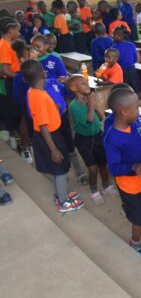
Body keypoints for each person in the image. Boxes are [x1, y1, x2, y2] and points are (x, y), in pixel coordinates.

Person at [103, 88, 141, 261]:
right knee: (137, 217)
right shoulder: (112, 138)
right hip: (130, 186)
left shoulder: (131, 125)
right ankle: (135, 243)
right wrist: (132, 167)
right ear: (124, 112)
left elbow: (139, 137)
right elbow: (114, 168)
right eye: (136, 107)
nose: (139, 110)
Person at [22, 60, 85, 213]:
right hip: (50, 137)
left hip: (45, 135)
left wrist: (52, 109)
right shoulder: (41, 97)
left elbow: (41, 114)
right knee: (61, 170)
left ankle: (60, 194)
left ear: (25, 79)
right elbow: (43, 125)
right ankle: (63, 202)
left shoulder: (32, 92)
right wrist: (53, 149)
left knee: (58, 169)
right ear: (44, 74)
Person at [67, 76, 117, 205]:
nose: (87, 85)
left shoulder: (88, 101)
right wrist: (90, 105)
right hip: (83, 140)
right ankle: (94, 191)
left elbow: (99, 118)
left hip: (97, 135)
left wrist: (95, 107)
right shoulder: (73, 105)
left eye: (86, 83)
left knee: (103, 163)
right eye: (83, 84)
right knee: (93, 168)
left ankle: (106, 186)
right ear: (74, 88)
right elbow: (89, 120)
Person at [0, 18, 33, 163]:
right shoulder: (5, 45)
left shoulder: (9, 44)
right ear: (10, 30)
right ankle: (24, 147)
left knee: (21, 115)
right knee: (22, 116)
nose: (18, 32)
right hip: (14, 82)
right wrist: (21, 78)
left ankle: (20, 141)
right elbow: (5, 70)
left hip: (17, 80)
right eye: (17, 30)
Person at [112, 26, 141, 106]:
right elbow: (135, 59)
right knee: (136, 86)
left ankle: (127, 103)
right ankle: (140, 101)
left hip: (121, 70)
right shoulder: (131, 45)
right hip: (131, 69)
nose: (112, 37)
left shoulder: (114, 47)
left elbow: (114, 62)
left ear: (118, 36)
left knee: (125, 87)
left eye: (114, 35)